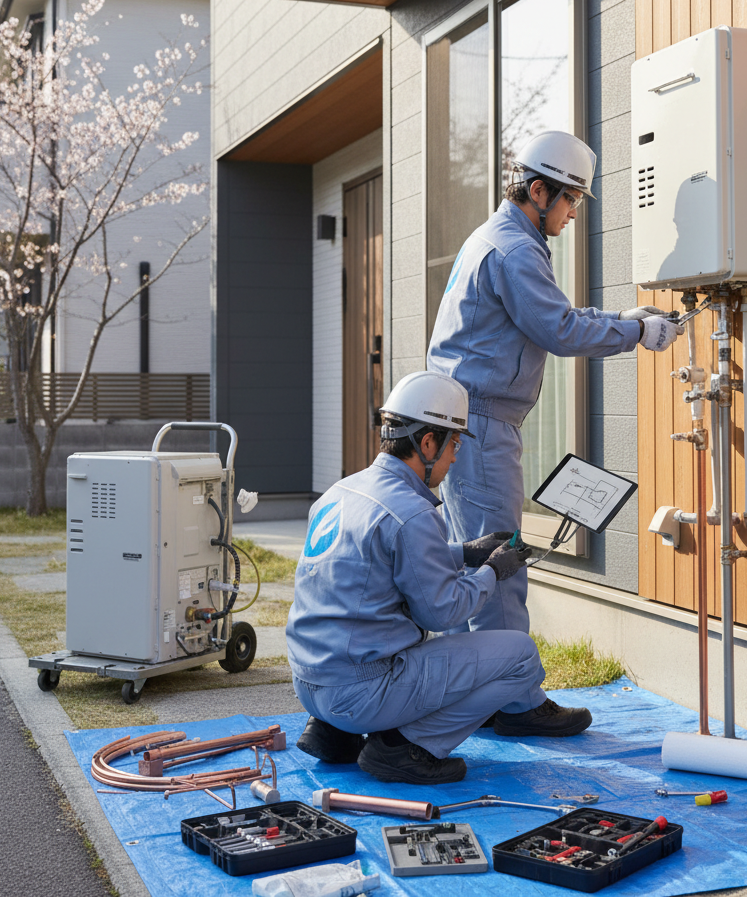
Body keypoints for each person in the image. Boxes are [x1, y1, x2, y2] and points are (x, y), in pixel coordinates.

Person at [426, 130, 683, 635]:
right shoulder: (516, 251)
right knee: (498, 564)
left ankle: (465, 678)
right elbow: (558, 330)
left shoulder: (494, 237)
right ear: (538, 191)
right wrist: (638, 333)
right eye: (571, 199)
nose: (573, 213)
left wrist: (620, 317)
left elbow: (549, 315)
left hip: (463, 418)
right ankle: (509, 683)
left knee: (469, 561)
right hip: (481, 425)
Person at [286, 370, 592, 784]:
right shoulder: (412, 511)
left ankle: (334, 734)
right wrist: (492, 571)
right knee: (521, 655)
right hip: (361, 694)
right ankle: (405, 747)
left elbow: (371, 562)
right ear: (428, 443)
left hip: (310, 684)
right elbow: (442, 613)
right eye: (454, 445)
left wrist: (463, 552)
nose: (454, 459)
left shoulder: (341, 492)